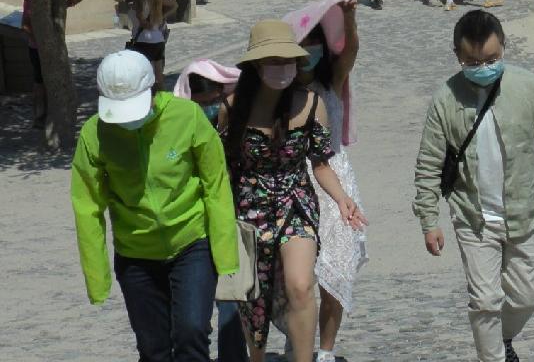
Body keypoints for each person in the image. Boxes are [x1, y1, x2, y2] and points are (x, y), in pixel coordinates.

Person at [413, 10, 534, 362]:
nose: (483, 67)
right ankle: (494, 356)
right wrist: (429, 220)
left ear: (503, 48)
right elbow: (428, 164)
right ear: (457, 55)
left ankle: (500, 340)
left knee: (527, 296)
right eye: (472, 62)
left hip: (524, 213)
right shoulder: (445, 99)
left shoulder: (529, 87)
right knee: (485, 301)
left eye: (491, 59)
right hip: (473, 218)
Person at [71, 49, 239, 361]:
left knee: (191, 333)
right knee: (153, 349)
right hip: (135, 255)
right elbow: (87, 206)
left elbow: (216, 185)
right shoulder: (94, 134)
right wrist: (97, 277)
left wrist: (225, 255)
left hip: (191, 243)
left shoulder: (187, 117)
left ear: (153, 87)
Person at [221, 19, 367, 362]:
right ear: (257, 65)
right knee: (253, 298)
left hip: (295, 203)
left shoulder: (311, 103)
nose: (282, 68)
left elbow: (320, 164)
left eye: (288, 60)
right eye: (274, 61)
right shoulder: (232, 107)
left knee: (301, 285)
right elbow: (222, 166)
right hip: (247, 210)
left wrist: (342, 198)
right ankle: (257, 358)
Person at [275, 0, 367, 362]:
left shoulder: (332, 80)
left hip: (334, 179)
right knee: (293, 276)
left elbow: (351, 51)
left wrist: (349, 17)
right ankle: (296, 341)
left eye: (316, 41)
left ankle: (326, 352)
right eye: (304, 42)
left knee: (336, 271)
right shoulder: (277, 91)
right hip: (294, 180)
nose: (310, 49)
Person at [173, 59, 247, 362]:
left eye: (214, 101)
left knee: (231, 298)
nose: (209, 109)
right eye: (202, 104)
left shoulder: (240, 124)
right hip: (194, 229)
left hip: (232, 222)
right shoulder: (180, 130)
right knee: (193, 309)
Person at [20, 0, 82, 129]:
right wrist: (38, 41)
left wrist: (65, 4)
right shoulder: (30, 0)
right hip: (36, 49)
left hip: (51, 48)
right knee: (39, 83)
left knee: (52, 80)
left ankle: (53, 115)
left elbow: (51, 11)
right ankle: (39, 116)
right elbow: (24, 25)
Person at [128, 0, 177, 90]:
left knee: (144, 75)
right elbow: (174, 5)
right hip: (158, 39)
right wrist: (161, 18)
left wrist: (147, 22)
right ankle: (162, 97)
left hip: (143, 41)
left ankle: (147, 98)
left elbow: (142, 21)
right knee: (159, 74)